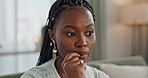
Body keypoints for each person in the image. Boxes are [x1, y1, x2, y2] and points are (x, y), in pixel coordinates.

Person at [21, 0, 109, 78]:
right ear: (52, 35)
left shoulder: (99, 75)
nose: (82, 42)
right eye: (71, 34)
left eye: (89, 33)